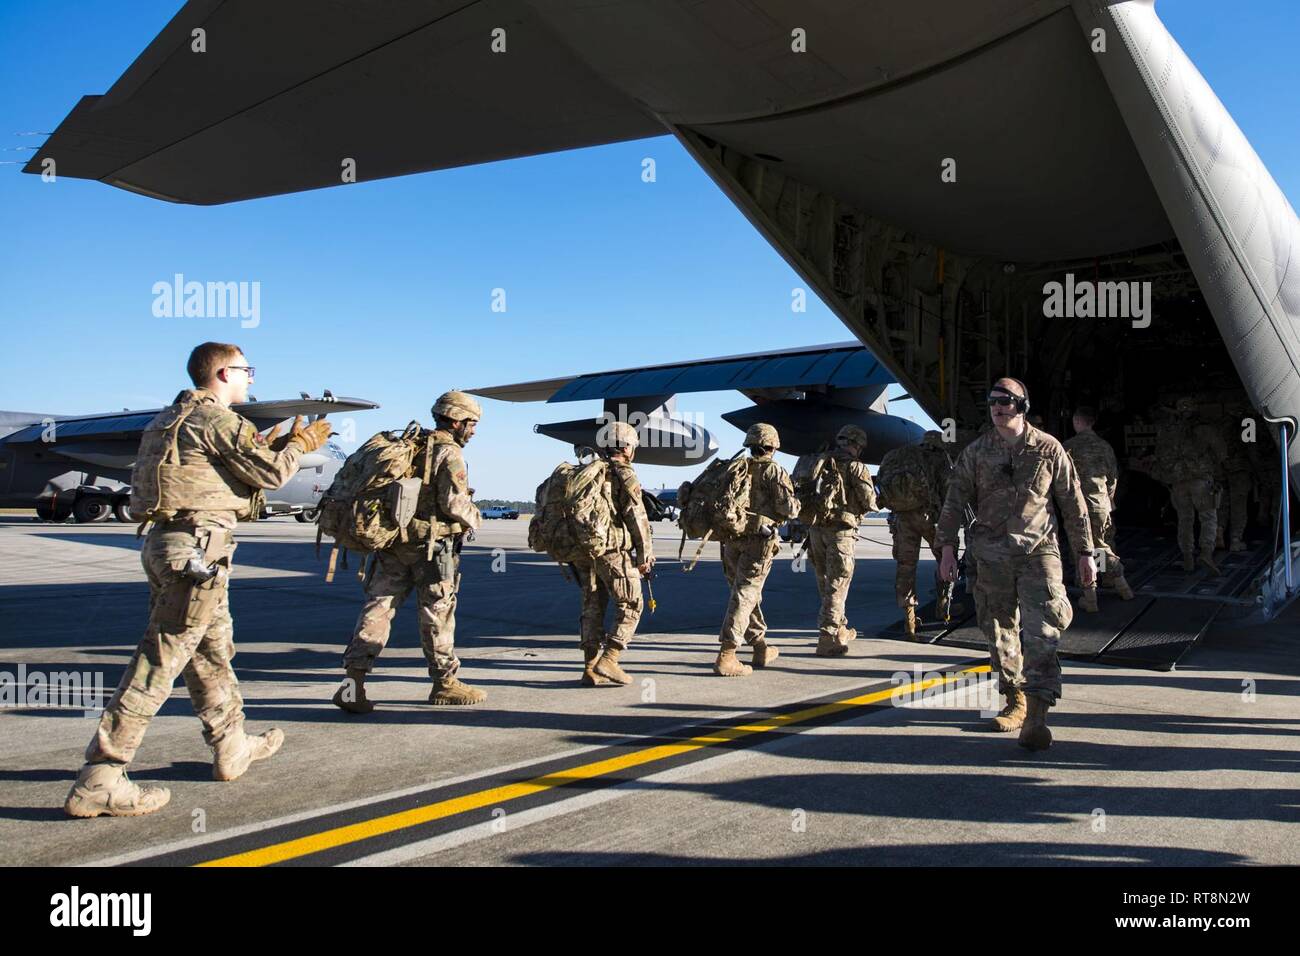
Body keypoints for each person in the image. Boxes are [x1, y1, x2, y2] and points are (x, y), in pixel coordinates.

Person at [64, 342, 331, 818]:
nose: (252, 378)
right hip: (196, 551)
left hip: (171, 545)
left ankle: (231, 744)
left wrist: (267, 442)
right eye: (247, 370)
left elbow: (215, 469)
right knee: (159, 661)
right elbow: (269, 475)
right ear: (224, 373)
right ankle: (102, 775)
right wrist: (299, 445)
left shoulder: (168, 420)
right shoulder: (217, 420)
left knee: (210, 652)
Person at [936, 378, 1095, 751]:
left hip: (1039, 553)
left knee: (1042, 632)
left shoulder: (1048, 448)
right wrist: (946, 548)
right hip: (990, 555)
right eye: (992, 401)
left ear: (1022, 405)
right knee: (998, 631)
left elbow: (1073, 503)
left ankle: (1037, 716)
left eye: (1006, 401)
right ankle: (1015, 700)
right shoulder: (976, 452)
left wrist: (1086, 552)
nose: (998, 407)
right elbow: (954, 500)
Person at [333, 390, 485, 711]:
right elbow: (453, 503)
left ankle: (353, 683)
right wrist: (476, 517)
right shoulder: (449, 453)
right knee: (437, 613)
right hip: (433, 548)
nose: (473, 430)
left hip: (393, 543)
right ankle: (444, 683)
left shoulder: (410, 447)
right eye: (471, 424)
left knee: (378, 608)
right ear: (456, 421)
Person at [573, 421, 654, 686]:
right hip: (612, 550)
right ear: (627, 447)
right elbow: (636, 516)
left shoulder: (587, 470)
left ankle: (590, 669)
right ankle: (610, 658)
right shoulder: (624, 473)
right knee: (631, 603)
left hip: (584, 551)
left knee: (592, 606)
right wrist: (645, 556)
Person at [714, 423, 799, 677]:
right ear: (773, 446)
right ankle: (727, 655)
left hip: (731, 540)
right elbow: (788, 510)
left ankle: (760, 645)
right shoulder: (774, 471)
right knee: (745, 595)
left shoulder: (735, 469)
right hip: (759, 542)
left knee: (745, 594)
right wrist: (797, 502)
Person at [796, 425, 878, 656]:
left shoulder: (818, 462)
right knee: (837, 584)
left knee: (825, 581)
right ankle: (827, 637)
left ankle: (840, 627)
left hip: (815, 531)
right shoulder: (855, 466)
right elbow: (869, 501)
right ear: (857, 445)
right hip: (841, 532)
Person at [877, 430, 952, 636]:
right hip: (928, 516)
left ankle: (909, 620)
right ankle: (943, 606)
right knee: (944, 559)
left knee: (906, 566)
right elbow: (948, 489)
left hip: (901, 517)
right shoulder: (939, 458)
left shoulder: (899, 456)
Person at [1064, 405, 1135, 610]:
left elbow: (1061, 479)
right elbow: (1113, 476)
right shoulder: (1104, 446)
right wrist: (1107, 497)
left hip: (1077, 506)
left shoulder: (1068, 446)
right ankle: (1112, 582)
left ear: (1077, 421)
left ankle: (1091, 594)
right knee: (1100, 543)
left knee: (1083, 548)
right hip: (1101, 503)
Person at [1151, 396, 1226, 574]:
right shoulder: (1204, 428)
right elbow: (1221, 451)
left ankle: (1187, 557)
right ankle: (1206, 553)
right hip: (1201, 479)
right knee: (1208, 517)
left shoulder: (1168, 431)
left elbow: (1159, 455)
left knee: (1185, 520)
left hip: (1177, 482)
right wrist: (1219, 475)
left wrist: (1166, 477)